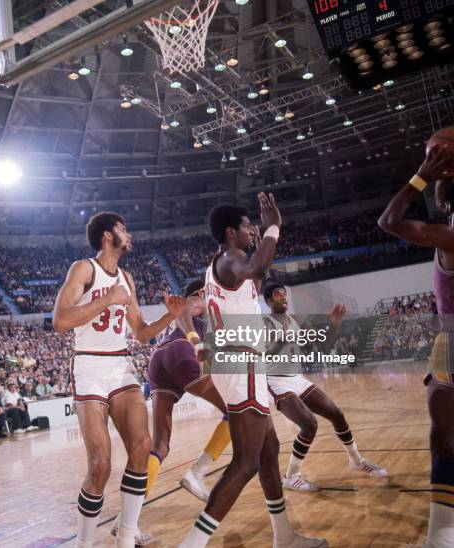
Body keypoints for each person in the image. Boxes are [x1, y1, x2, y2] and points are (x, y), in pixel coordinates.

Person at [179, 196, 326, 548]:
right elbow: (255, 270)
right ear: (231, 232)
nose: (252, 230)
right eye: (247, 226)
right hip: (240, 362)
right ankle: (192, 544)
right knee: (245, 462)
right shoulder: (232, 258)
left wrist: (261, 242)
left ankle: (284, 535)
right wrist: (275, 225)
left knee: (268, 450)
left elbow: (254, 280)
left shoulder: (224, 263)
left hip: (241, 363)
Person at [53, 211, 185, 548]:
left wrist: (171, 315)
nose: (129, 234)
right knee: (101, 465)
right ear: (107, 236)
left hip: (120, 365)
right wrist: (106, 300)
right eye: (123, 229)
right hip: (89, 366)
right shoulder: (84, 268)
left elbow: (140, 333)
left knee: (142, 447)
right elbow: (60, 320)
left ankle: (126, 537)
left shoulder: (127, 277)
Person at [378, 133, 454, 548]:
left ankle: (441, 536)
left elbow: (388, 221)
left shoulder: (447, 236)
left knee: (443, 437)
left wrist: (421, 177)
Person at [262, 283, 387, 491]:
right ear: (268, 301)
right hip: (275, 380)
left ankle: (356, 460)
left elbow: (324, 347)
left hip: (296, 378)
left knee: (336, 414)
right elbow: (267, 355)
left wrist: (336, 324)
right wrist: (282, 340)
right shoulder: (265, 323)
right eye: (277, 295)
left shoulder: (298, 321)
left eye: (284, 294)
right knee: (309, 424)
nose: (283, 297)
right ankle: (291, 476)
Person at [144, 278, 231, 502]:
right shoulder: (197, 300)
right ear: (202, 291)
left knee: (160, 444)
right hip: (180, 350)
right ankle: (197, 473)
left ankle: (130, 514)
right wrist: (195, 341)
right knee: (236, 409)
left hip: (158, 359)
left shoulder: (203, 318)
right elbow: (184, 309)